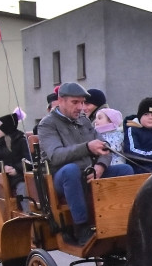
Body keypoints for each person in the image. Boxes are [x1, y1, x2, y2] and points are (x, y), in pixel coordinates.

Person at [37, 82, 133, 246]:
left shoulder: (84, 121)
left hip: (89, 173)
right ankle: (81, 228)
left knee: (125, 169)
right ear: (61, 100)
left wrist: (100, 167)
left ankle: (124, 220)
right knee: (71, 170)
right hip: (62, 179)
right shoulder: (47, 124)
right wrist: (87, 147)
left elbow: (106, 148)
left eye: (82, 102)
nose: (80, 107)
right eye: (75, 102)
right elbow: (55, 155)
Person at [0, 112, 30, 201]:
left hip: (21, 173)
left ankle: (32, 210)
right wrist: (3, 168)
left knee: (26, 184)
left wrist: (16, 169)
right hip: (4, 178)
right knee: (21, 185)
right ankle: (27, 212)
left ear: (5, 130)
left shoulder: (21, 141)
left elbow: (28, 159)